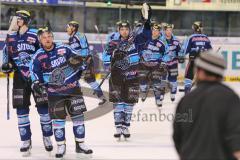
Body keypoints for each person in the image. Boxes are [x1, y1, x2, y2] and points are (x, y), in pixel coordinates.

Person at [30, 27, 93, 158]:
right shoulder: (38, 56)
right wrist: (36, 83)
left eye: (49, 36)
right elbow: (34, 72)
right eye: (44, 38)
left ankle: (80, 144)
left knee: (78, 117)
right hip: (54, 93)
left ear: (52, 37)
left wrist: (85, 62)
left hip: (73, 88)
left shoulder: (64, 49)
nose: (47, 39)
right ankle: (61, 146)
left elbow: (78, 59)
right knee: (58, 120)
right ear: (40, 41)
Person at [1, 10, 53, 156]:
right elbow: (7, 56)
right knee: (21, 110)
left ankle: (47, 137)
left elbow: (46, 52)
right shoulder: (10, 37)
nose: (13, 21)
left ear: (23, 20)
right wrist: (6, 66)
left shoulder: (35, 34)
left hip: (37, 77)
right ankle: (25, 140)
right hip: (19, 78)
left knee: (44, 109)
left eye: (16, 19)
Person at [173, 51, 240, 160]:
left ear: (200, 71)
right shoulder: (230, 98)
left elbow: (178, 138)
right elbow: (236, 137)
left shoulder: (186, 100)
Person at [66, 21, 106, 105]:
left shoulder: (80, 35)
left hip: (86, 60)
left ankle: (102, 97)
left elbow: (84, 49)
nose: (67, 29)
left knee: (90, 80)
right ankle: (73, 99)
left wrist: (84, 60)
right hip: (77, 62)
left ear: (73, 27)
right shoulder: (70, 39)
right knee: (71, 79)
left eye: (68, 27)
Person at [137, 21, 170, 107]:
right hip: (144, 64)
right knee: (142, 81)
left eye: (157, 30)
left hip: (156, 65)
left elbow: (167, 53)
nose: (155, 32)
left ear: (159, 32)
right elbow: (138, 49)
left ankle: (158, 99)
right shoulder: (145, 40)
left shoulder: (162, 42)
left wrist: (163, 62)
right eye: (153, 30)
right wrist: (139, 56)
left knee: (156, 83)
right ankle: (144, 91)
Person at [181, 21, 212, 94]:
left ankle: (187, 90)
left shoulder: (191, 37)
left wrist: (181, 56)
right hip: (204, 60)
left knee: (188, 75)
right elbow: (211, 51)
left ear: (194, 28)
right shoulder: (206, 38)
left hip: (193, 59)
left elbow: (185, 50)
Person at [161, 24, 184, 102]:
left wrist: (180, 56)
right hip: (163, 63)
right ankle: (161, 94)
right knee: (162, 79)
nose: (169, 32)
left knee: (173, 79)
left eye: (170, 30)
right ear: (164, 31)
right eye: (167, 30)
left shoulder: (176, 40)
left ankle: (173, 94)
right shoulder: (160, 40)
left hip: (173, 63)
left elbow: (180, 50)